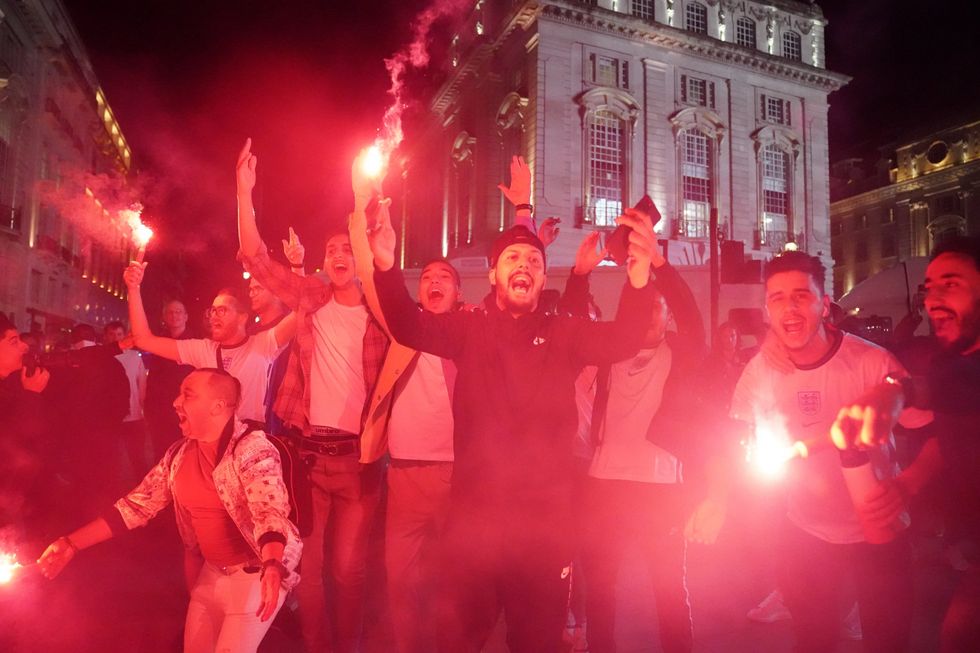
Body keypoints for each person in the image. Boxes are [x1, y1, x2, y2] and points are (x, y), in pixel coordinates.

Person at [363, 148, 659, 652]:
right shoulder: (468, 328)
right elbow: (408, 325)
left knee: (536, 641)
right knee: (458, 638)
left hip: (545, 529)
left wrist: (638, 274)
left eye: (534, 261)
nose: (524, 265)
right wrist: (387, 266)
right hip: (474, 523)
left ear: (542, 279)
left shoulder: (564, 332)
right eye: (512, 259)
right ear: (495, 276)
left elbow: (625, 338)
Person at [730, 251, 933, 653]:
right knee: (813, 640)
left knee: (886, 642)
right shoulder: (760, 371)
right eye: (777, 298)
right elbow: (738, 432)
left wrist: (909, 483)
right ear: (767, 311)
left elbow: (931, 429)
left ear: (824, 305)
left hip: (879, 531)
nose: (789, 308)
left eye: (801, 296)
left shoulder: (871, 362)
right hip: (805, 533)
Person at [236, 138, 388, 653]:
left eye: (348, 249)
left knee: (349, 570)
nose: (339, 256)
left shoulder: (382, 312)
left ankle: (350, 645)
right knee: (311, 567)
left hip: (358, 462)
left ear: (361, 257)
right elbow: (256, 258)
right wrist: (244, 191)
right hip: (308, 457)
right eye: (332, 251)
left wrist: (374, 204)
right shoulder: (312, 297)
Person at [37, 368, 302, 653]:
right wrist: (71, 544)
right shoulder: (179, 454)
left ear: (217, 406)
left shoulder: (252, 449)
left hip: (256, 577)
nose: (176, 402)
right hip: (211, 575)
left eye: (188, 395)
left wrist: (272, 564)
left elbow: (268, 509)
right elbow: (137, 505)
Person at [831, 236, 980, 653]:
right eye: (929, 288)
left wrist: (900, 390)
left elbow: (963, 385)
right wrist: (908, 483)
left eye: (951, 284)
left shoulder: (957, 371)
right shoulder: (949, 356)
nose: (933, 300)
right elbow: (951, 428)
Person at [582, 210, 720, 653]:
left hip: (661, 487)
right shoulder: (610, 351)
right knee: (599, 586)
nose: (648, 317)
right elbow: (573, 325)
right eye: (642, 309)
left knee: (668, 587)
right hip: (604, 483)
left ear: (667, 316)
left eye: (656, 309)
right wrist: (584, 275)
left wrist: (658, 261)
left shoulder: (681, 351)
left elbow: (691, 314)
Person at [124, 262, 295, 423]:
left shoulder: (262, 345)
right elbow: (143, 339)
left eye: (222, 310)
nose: (214, 317)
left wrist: (296, 266)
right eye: (212, 311)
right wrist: (133, 288)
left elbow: (302, 310)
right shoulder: (203, 349)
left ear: (242, 318)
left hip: (247, 440)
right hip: (211, 439)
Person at [0, 314, 50, 531]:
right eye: (13, 341)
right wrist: (31, 396)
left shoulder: (9, 386)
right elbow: (13, 445)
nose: (24, 347)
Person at [145, 299, 197, 458]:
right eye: (170, 312)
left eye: (178, 312)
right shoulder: (158, 342)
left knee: (185, 454)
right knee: (161, 453)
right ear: (164, 317)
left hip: (186, 409)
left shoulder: (196, 344)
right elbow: (153, 377)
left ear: (186, 316)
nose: (174, 316)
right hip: (160, 409)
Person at [104, 321, 151, 480]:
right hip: (109, 418)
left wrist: (143, 412)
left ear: (124, 336)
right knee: (110, 459)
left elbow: (142, 386)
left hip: (133, 416)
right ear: (106, 336)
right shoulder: (101, 356)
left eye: (119, 334)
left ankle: (143, 488)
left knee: (137, 457)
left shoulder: (134, 358)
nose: (115, 338)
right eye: (112, 334)